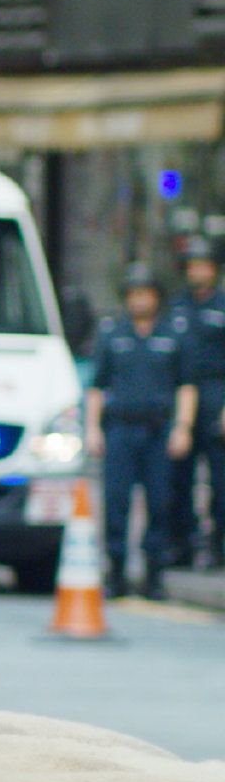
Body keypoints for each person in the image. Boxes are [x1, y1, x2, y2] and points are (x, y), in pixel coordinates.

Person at [85, 264, 198, 601]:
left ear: (157, 298)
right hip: (120, 428)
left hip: (159, 429)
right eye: (134, 294)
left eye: (146, 294)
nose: (140, 301)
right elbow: (97, 387)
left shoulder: (174, 334)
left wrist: (183, 427)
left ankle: (154, 575)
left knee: (160, 502)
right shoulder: (112, 334)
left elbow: (186, 386)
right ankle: (116, 571)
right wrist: (92, 429)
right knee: (116, 502)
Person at [168, 236, 225, 569]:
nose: (197, 271)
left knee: (220, 480)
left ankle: (217, 545)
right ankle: (182, 544)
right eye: (192, 266)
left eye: (203, 265)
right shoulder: (176, 308)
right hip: (183, 396)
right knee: (178, 477)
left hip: (217, 393)